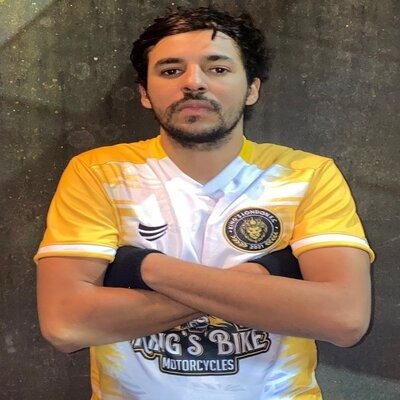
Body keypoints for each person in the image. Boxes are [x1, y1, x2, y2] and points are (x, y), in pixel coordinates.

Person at [35, 7, 374, 400]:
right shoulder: (100, 173)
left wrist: (142, 267)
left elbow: (344, 320)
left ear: (252, 89)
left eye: (218, 69)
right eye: (170, 70)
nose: (193, 82)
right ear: (144, 93)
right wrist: (265, 276)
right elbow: (66, 326)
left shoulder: (306, 174)